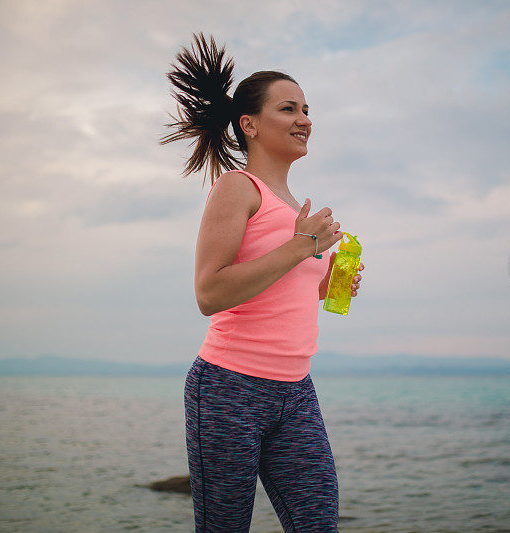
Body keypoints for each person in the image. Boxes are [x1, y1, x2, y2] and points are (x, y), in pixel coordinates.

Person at [160, 33, 365, 532]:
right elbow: (209, 293)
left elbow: (277, 288)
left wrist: (324, 285)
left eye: (307, 109)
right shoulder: (237, 187)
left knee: (318, 525)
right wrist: (302, 248)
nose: (305, 119)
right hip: (229, 386)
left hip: (295, 388)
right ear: (249, 124)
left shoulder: (298, 210)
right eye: (288, 108)